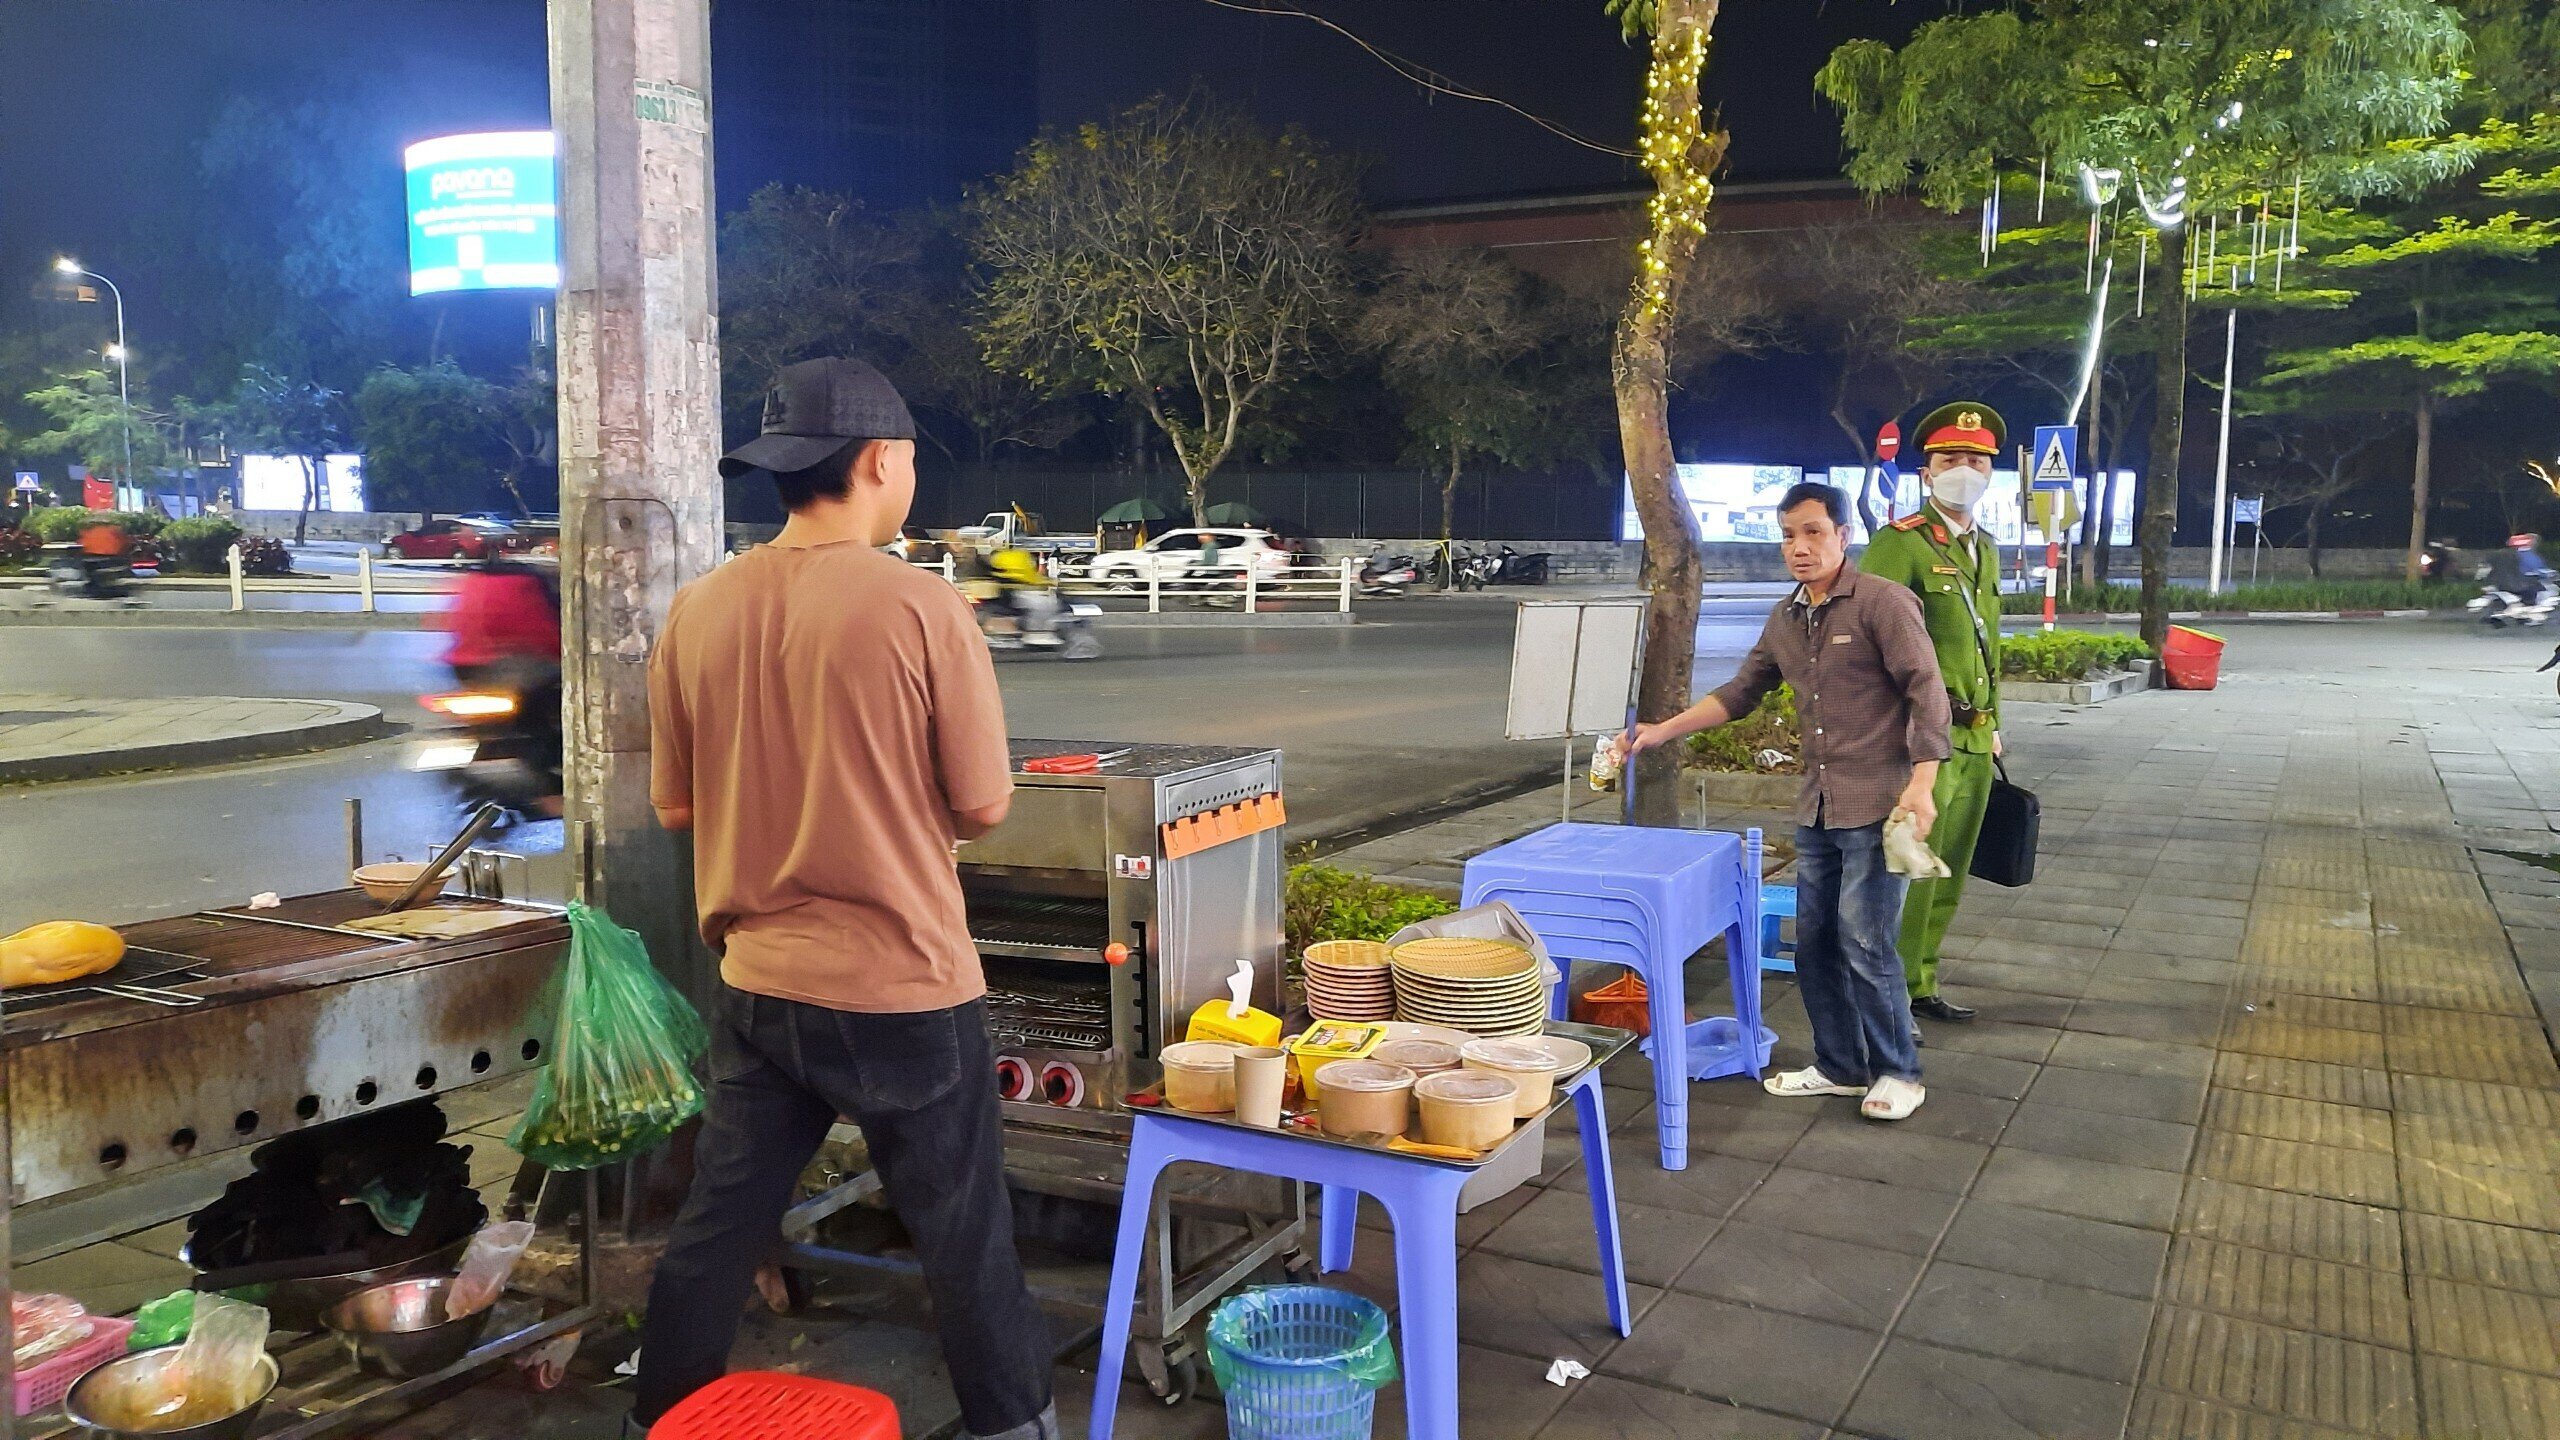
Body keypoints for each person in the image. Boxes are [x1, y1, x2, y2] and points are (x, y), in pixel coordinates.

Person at [637, 358, 1056, 1440]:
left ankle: (662, 1417)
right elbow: (981, 804)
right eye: (910, 460)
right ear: (880, 461)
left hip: (759, 985)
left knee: (720, 1224)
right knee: (962, 1234)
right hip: (902, 985)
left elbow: (676, 810)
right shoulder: (921, 606)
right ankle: (1013, 1426)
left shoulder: (696, 611)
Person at [1628, 481, 1949, 1120]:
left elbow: (1926, 691)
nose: (1798, 548)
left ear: (1841, 536)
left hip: (1882, 807)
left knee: (1866, 940)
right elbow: (1742, 691)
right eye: (1787, 535)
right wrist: (1661, 730)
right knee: (1814, 944)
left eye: (1811, 532)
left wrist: (1923, 782)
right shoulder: (1787, 617)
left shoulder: (1884, 604)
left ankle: (1899, 1072)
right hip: (1819, 807)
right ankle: (1840, 1066)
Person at [1857, 401, 2008, 1030]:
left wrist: (1994, 723)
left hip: (1974, 740)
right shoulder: (1901, 544)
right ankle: (1888, 996)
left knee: (1950, 873)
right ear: (1927, 471)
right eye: (1951, 459)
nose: (1964, 469)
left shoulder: (1986, 548)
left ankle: (1921, 984)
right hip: (1922, 742)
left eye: (1977, 460)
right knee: (1906, 875)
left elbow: (1986, 648)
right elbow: (1870, 638)